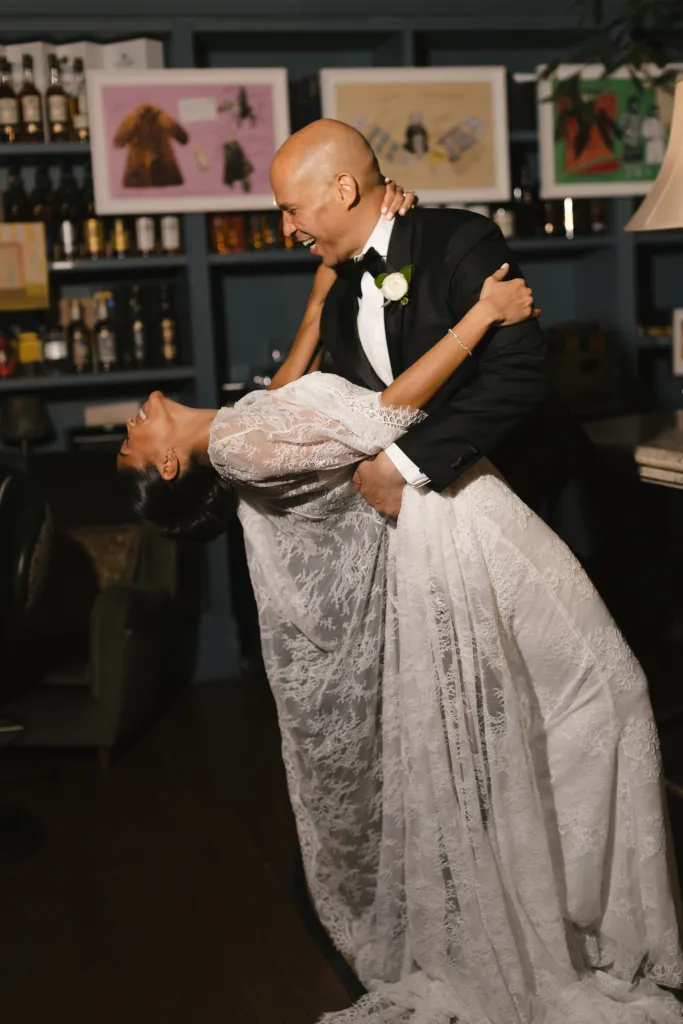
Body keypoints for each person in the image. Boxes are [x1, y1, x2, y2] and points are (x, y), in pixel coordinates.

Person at [118, 258, 683, 1023]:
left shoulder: (237, 431)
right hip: (460, 519)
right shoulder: (243, 445)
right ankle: (570, 911)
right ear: (170, 463)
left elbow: (282, 386)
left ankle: (572, 897)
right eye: (132, 442)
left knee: (582, 696)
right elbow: (388, 413)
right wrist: (480, 314)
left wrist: (322, 290)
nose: (130, 422)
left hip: (462, 505)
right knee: (606, 689)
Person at [269, 120, 600, 566]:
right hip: (435, 538)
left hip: (532, 500)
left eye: (292, 210)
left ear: (344, 191)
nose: (286, 228)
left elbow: (519, 375)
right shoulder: (336, 296)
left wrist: (402, 465)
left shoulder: (460, 241)